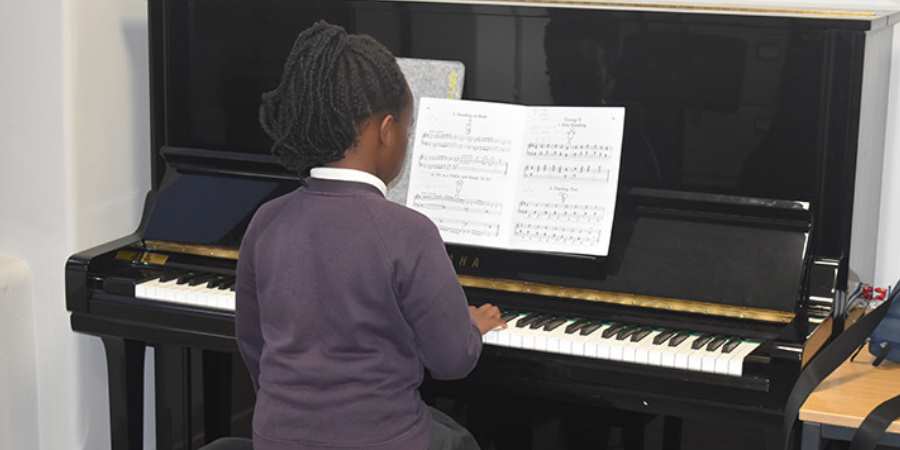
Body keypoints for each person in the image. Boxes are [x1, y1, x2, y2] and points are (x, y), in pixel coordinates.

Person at [235, 21, 506, 450]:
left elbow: (252, 343)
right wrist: (470, 327)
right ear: (385, 131)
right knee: (459, 441)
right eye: (407, 130)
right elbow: (452, 360)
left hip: (275, 438)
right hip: (379, 440)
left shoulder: (266, 220)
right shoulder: (409, 231)